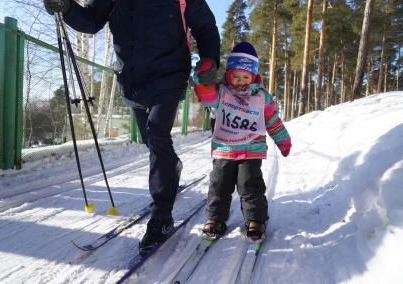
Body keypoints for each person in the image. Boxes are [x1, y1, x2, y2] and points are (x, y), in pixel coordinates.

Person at [44, 0, 220, 251]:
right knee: (152, 142)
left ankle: (162, 217)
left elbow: (205, 27)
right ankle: (172, 166)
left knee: (156, 133)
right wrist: (68, 8)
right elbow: (92, 21)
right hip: (133, 81)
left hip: (169, 76)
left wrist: (209, 59)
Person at [193, 41, 291, 240]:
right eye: (235, 76)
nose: (240, 81)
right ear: (228, 75)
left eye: (245, 77)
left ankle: (256, 219)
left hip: (250, 148)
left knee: (249, 184)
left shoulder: (262, 97)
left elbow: (272, 120)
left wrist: (283, 139)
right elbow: (206, 95)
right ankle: (215, 218)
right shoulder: (221, 92)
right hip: (225, 147)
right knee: (219, 184)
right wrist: (203, 78)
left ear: (253, 76)